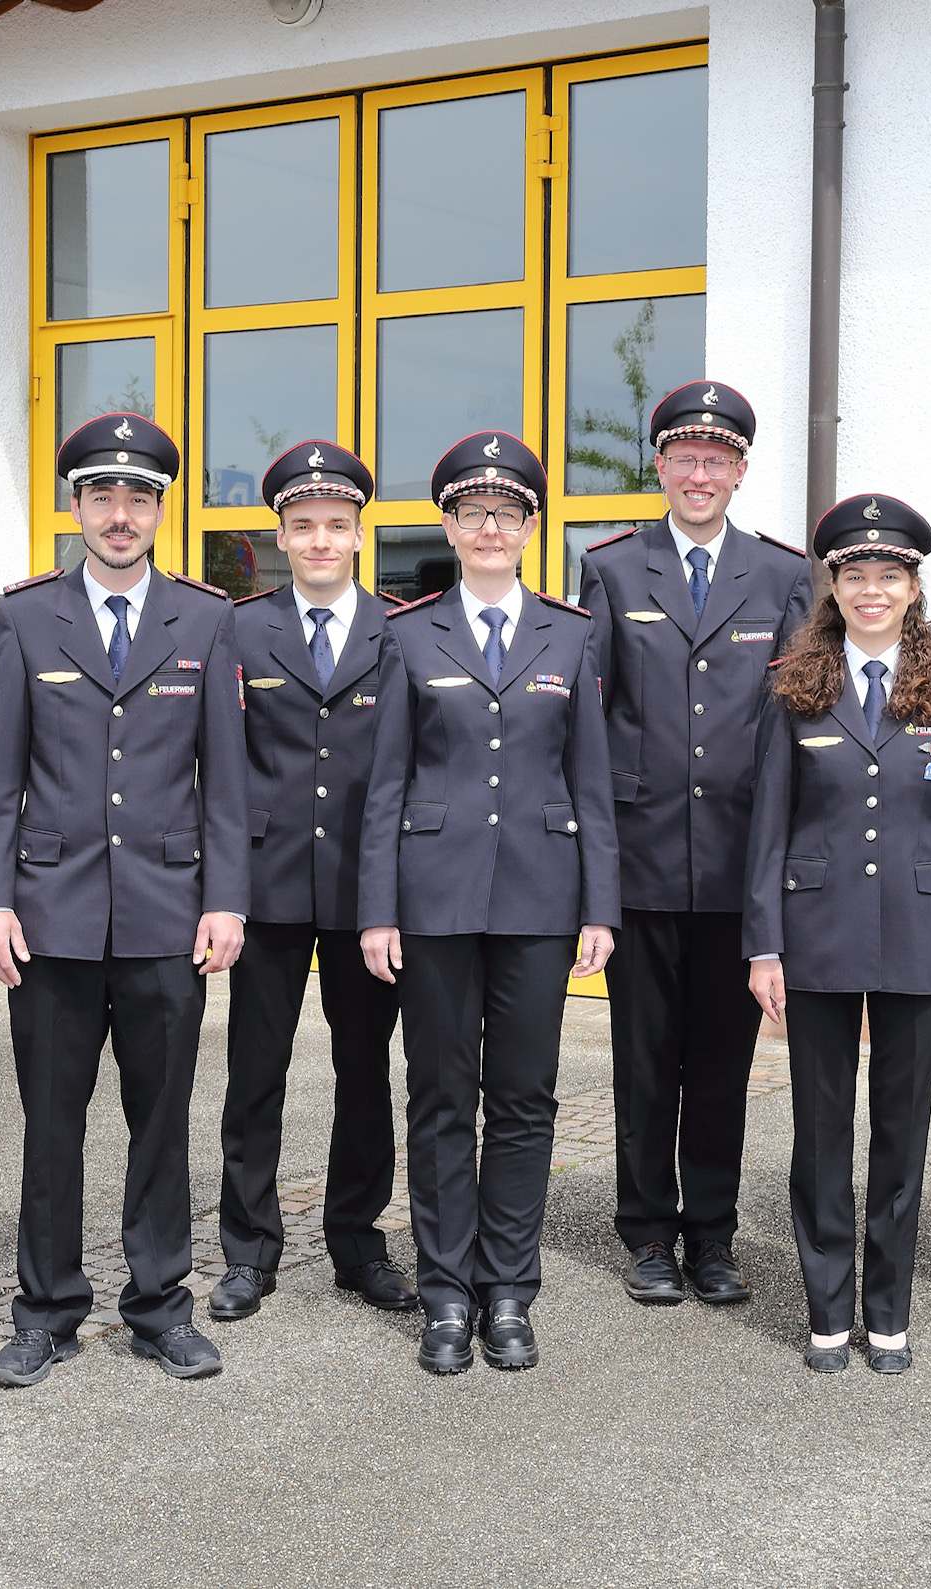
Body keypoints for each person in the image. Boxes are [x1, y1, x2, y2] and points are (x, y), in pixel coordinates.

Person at [0, 412, 247, 1387]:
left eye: (137, 497)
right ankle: (44, 1312)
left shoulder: (205, 619)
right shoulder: (25, 616)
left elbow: (226, 780)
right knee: (52, 1124)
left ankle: (160, 1306)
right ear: (75, 506)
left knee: (160, 1123)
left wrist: (226, 899)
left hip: (169, 915)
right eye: (101, 496)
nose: (119, 514)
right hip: (51, 917)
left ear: (160, 509)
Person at [359, 432, 619, 1375]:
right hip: (431, 896)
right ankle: (443, 1293)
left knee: (522, 1098)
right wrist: (376, 909)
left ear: (530, 526)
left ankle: (507, 1288)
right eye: (472, 513)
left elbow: (591, 780)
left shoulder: (570, 633)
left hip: (541, 900)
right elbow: (385, 783)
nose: (489, 528)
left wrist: (600, 907)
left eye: (506, 513)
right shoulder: (406, 633)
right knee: (438, 1095)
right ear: (448, 526)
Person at [577, 381, 814, 1309]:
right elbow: (589, 723)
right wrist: (592, 882)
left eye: (717, 459)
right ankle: (646, 1231)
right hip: (639, 863)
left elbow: (797, 721)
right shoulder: (612, 568)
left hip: (737, 866)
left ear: (741, 470)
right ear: (660, 466)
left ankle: (712, 1235)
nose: (700, 474)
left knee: (721, 1065)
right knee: (643, 1064)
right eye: (685, 457)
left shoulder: (781, 575)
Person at [743, 494, 931, 1375]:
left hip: (921, 939)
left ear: (913, 588)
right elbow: (766, 829)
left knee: (900, 1133)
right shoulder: (792, 685)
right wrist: (762, 945)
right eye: (856, 575)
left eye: (890, 574)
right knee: (820, 1133)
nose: (873, 589)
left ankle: (886, 1310)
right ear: (834, 587)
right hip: (813, 934)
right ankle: (825, 1311)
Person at [212, 440, 417, 1323]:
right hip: (266, 886)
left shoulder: (401, 628)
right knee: (254, 1072)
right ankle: (247, 1249)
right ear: (282, 536)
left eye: (336, 524)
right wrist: (222, 891)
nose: (321, 540)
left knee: (363, 1071)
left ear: (360, 534)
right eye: (303, 526)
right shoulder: (238, 629)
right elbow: (221, 772)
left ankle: (358, 1241)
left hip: (364, 889)